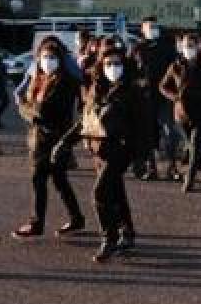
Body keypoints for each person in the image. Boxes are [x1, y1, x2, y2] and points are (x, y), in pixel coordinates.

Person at [57, 42, 137, 262]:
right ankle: (127, 232)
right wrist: (64, 142)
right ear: (101, 66)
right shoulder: (95, 89)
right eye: (109, 64)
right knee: (116, 192)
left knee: (100, 194)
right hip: (99, 149)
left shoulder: (133, 89)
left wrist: (142, 155)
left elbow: (145, 125)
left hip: (121, 149)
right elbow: (85, 121)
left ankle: (108, 239)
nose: (113, 67)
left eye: (118, 63)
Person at [12, 39, 84, 238]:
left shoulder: (64, 81)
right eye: (44, 57)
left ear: (60, 60)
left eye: (52, 57)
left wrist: (22, 107)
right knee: (58, 181)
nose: (48, 61)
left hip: (54, 138)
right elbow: (32, 104)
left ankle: (37, 223)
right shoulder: (39, 78)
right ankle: (76, 218)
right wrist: (28, 106)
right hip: (40, 137)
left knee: (40, 180)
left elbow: (41, 112)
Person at [159, 32, 201, 193]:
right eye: (186, 46)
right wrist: (176, 97)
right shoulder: (175, 66)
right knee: (192, 147)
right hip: (181, 114)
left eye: (192, 46)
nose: (189, 49)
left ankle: (190, 179)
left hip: (200, 112)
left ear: (199, 46)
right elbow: (163, 86)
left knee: (195, 144)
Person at [131, 16, 177, 180]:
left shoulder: (167, 47)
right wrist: (138, 82)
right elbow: (131, 72)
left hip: (165, 96)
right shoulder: (137, 49)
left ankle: (172, 167)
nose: (152, 29)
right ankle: (152, 168)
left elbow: (177, 70)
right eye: (149, 26)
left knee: (170, 132)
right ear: (142, 29)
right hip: (146, 97)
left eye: (155, 26)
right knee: (148, 133)